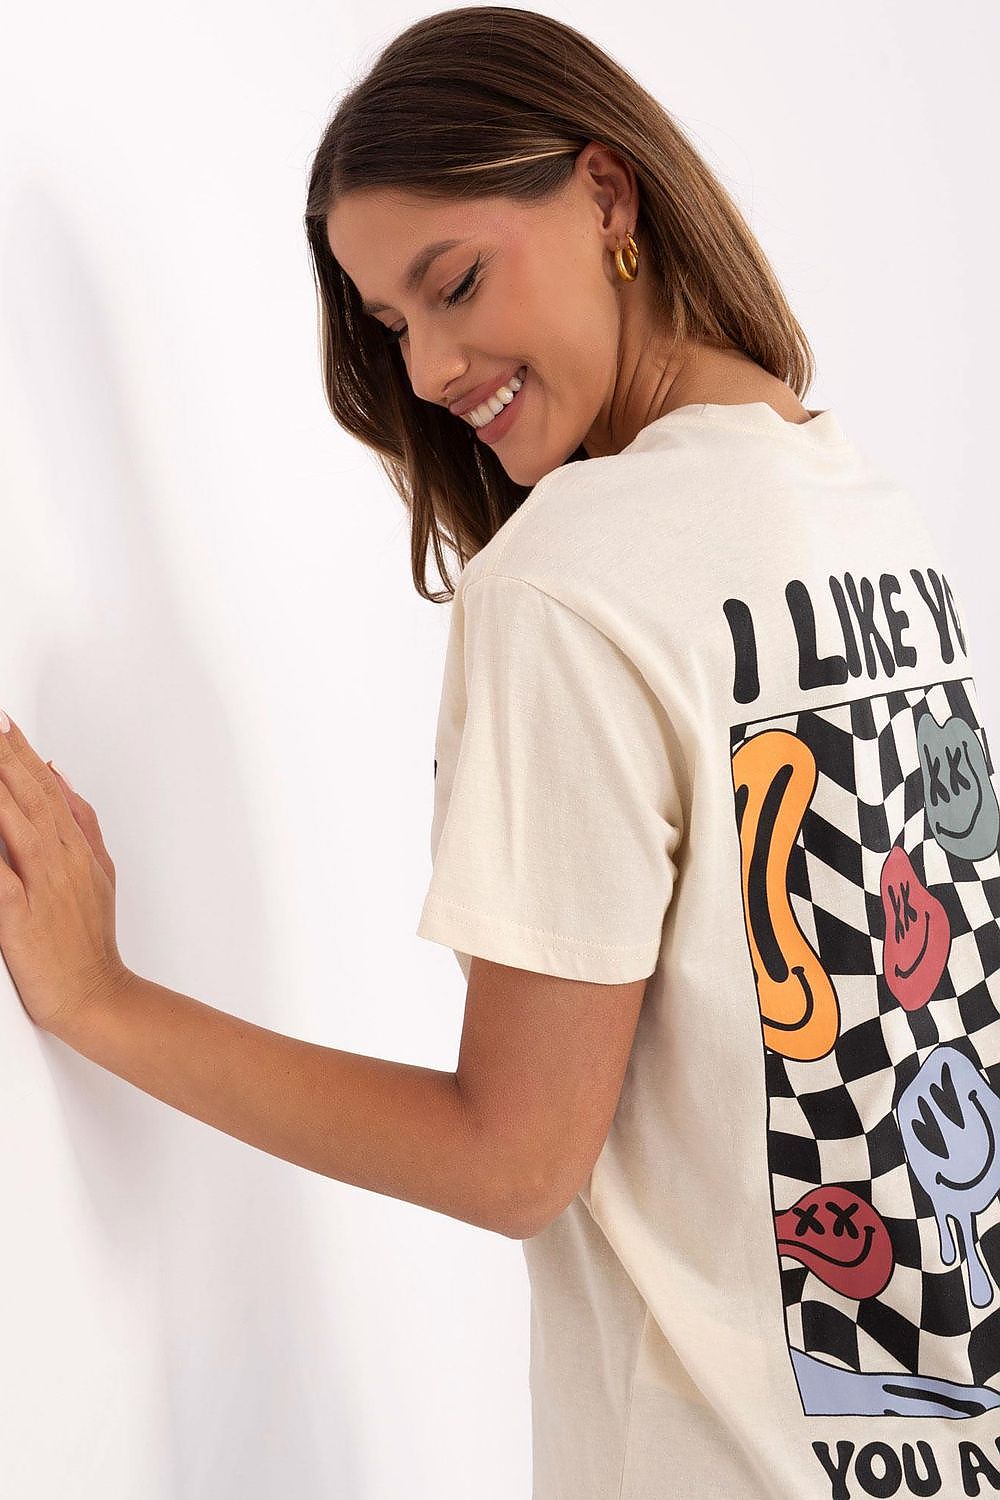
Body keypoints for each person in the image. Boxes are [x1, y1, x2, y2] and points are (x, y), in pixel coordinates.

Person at [0, 7, 996, 1499]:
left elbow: (514, 1160)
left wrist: (99, 1000)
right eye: (391, 325)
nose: (429, 368)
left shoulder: (569, 584)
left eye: (453, 282)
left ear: (608, 193)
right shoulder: (866, 511)